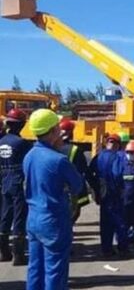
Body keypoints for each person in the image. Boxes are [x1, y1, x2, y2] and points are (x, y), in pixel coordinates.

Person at [24, 109, 83, 290]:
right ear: (52, 132)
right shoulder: (59, 160)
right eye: (57, 127)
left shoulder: (29, 155)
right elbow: (78, 186)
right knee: (55, 272)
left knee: (35, 268)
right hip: (53, 220)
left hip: (33, 218)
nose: (60, 130)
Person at [89, 134, 129, 258]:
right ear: (118, 145)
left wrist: (96, 189)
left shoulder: (99, 156)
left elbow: (89, 174)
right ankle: (122, 249)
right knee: (119, 222)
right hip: (114, 193)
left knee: (105, 222)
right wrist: (122, 189)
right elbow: (117, 174)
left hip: (103, 193)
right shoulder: (117, 157)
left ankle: (106, 249)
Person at [0, 109, 31, 265]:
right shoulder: (22, 143)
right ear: (21, 125)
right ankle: (18, 256)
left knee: (5, 215)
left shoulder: (1, 141)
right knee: (19, 217)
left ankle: (3, 252)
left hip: (4, 179)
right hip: (18, 181)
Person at [59, 118, 98, 223]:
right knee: (71, 216)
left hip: (54, 188)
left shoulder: (50, 148)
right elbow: (84, 171)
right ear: (70, 132)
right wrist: (95, 188)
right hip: (71, 191)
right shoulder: (75, 150)